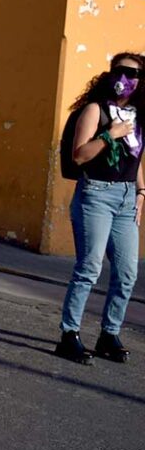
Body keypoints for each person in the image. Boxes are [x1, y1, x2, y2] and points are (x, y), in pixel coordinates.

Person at [55, 53, 144, 365]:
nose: (129, 78)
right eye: (122, 71)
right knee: (90, 267)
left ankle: (110, 333)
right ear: (111, 74)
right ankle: (69, 335)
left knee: (127, 272)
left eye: (136, 74)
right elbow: (80, 155)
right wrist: (110, 135)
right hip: (96, 195)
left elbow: (136, 155)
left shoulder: (137, 113)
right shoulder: (96, 110)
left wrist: (141, 190)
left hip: (125, 198)